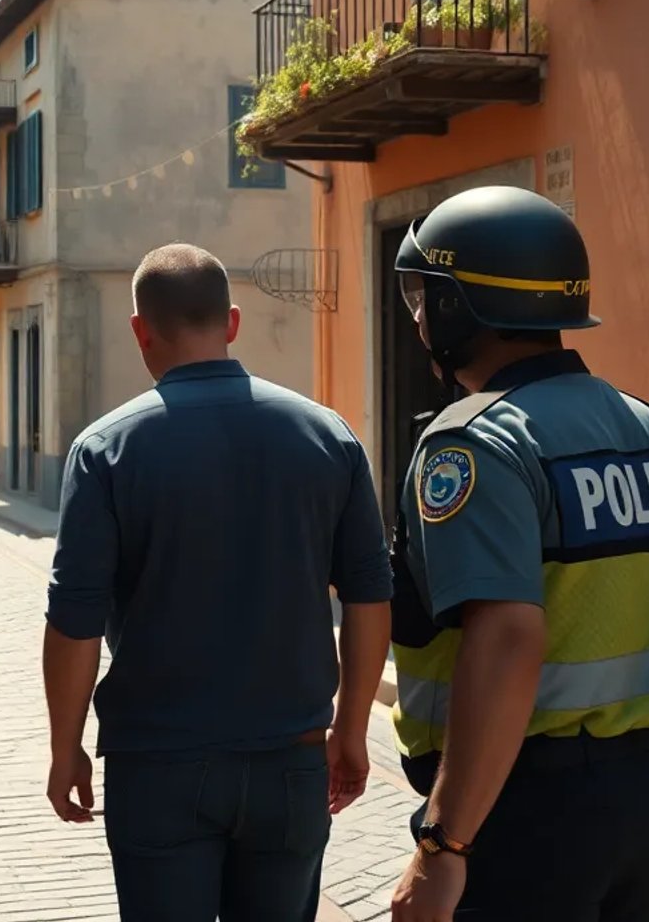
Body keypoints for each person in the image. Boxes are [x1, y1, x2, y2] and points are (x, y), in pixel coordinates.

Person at [385, 186, 649, 922]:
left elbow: (505, 640)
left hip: (527, 801)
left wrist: (443, 845)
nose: (418, 317)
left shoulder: (479, 441)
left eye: (424, 297)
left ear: (459, 309)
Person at [43, 244, 394, 921]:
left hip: (157, 765)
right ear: (232, 323)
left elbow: (74, 621)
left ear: (140, 329)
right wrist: (350, 729)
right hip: (290, 760)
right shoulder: (330, 438)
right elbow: (368, 596)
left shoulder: (105, 450)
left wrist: (67, 749)